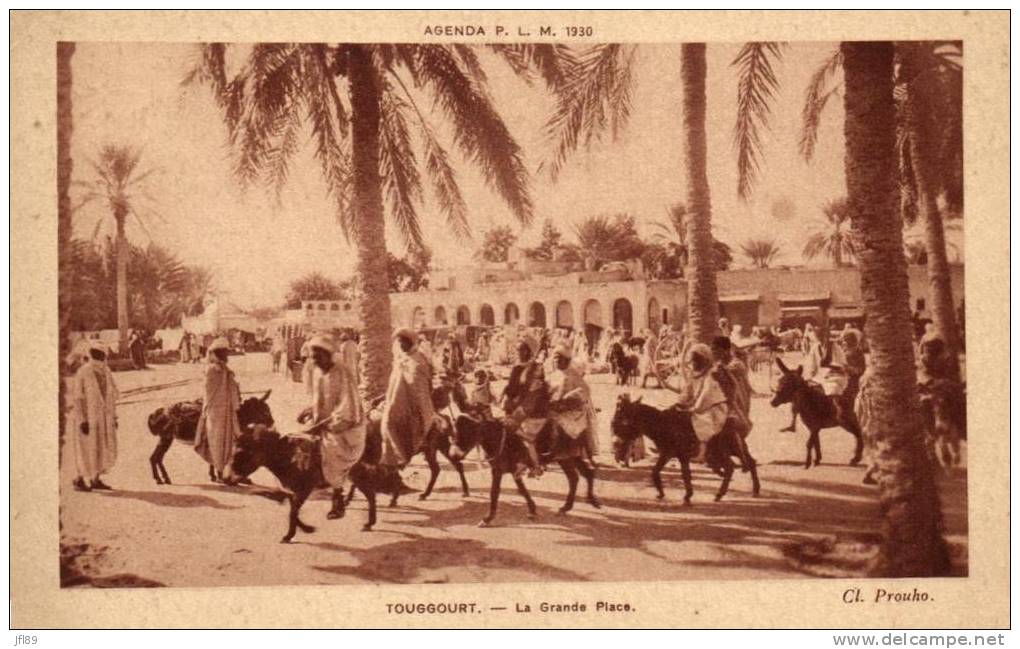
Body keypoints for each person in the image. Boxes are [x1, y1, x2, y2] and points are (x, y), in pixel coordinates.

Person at [298, 335, 366, 519]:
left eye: (317, 357)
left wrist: (324, 424)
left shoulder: (342, 373)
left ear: (327, 355)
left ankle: (338, 497)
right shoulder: (320, 374)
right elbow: (320, 403)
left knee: (332, 448)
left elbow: (348, 408)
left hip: (346, 426)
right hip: (325, 423)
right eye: (312, 357)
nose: (314, 361)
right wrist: (309, 412)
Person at [381, 328, 442, 467]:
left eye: (404, 342)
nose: (401, 345)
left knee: (392, 421)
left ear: (411, 343)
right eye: (399, 342)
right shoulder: (402, 359)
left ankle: (401, 457)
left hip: (415, 405)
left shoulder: (418, 362)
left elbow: (419, 390)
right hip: (398, 401)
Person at [70, 341, 119, 491]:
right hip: (88, 418)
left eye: (101, 354)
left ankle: (95, 479)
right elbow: (78, 398)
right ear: (91, 354)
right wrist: (82, 420)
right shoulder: (84, 372)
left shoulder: (106, 371)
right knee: (87, 448)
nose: (100, 356)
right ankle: (79, 480)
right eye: (96, 353)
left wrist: (114, 417)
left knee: (101, 448)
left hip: (104, 418)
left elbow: (112, 396)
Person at [194, 337, 241, 483]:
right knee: (217, 441)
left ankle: (225, 471)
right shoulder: (212, 370)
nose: (226, 356)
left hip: (227, 411)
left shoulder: (225, 371)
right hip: (215, 412)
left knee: (228, 441)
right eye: (224, 353)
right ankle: (220, 472)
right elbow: (209, 392)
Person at [501, 336, 547, 477]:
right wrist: (505, 395)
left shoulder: (536, 368)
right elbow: (511, 387)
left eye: (521, 350)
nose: (518, 352)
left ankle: (535, 465)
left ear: (528, 351)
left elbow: (535, 392)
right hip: (517, 404)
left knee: (521, 432)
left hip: (532, 406)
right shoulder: (517, 367)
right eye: (518, 349)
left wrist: (518, 406)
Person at [545, 343, 599, 461]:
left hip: (572, 410)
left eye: (559, 359)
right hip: (555, 406)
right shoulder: (553, 375)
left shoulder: (573, 375)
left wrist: (567, 399)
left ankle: (556, 450)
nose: (557, 362)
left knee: (555, 421)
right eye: (555, 359)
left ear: (566, 360)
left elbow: (584, 391)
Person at [710, 336, 753, 468]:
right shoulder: (722, 364)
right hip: (729, 402)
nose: (713, 353)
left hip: (738, 403)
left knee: (731, 427)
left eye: (715, 350)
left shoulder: (736, 364)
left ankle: (744, 460)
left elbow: (723, 374)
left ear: (725, 350)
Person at [675, 343, 728, 450]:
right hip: (698, 406)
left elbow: (706, 394)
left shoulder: (711, 375)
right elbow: (687, 392)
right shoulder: (693, 375)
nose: (693, 364)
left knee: (700, 421)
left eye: (696, 361)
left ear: (704, 361)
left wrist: (694, 408)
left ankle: (701, 452)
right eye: (692, 361)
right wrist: (680, 402)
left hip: (713, 409)